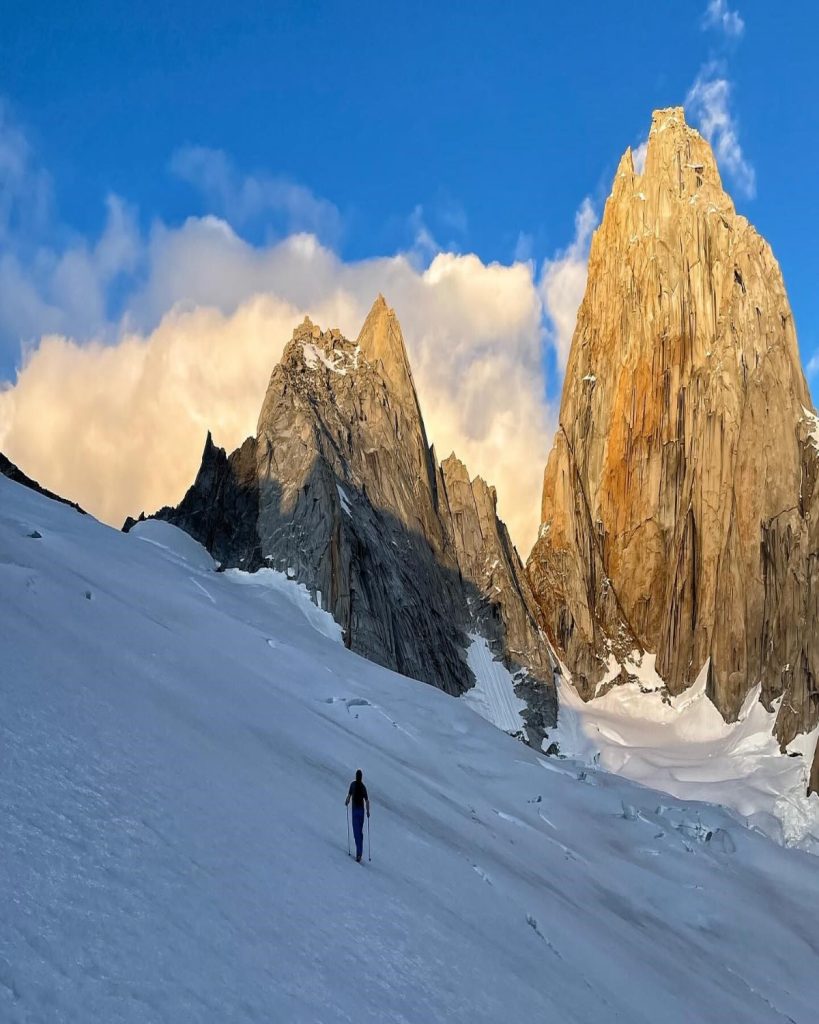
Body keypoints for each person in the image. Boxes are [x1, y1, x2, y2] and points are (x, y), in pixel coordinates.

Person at [345, 769, 370, 862]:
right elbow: (367, 800)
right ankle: (359, 852)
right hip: (361, 811)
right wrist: (367, 812)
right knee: (359, 831)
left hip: (355, 810)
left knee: (356, 832)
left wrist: (347, 801)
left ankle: (359, 853)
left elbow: (349, 795)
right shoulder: (363, 787)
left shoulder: (353, 784)